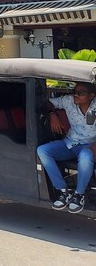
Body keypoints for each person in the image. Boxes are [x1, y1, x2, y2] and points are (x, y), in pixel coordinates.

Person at [37, 83, 96, 214]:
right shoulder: (69, 101)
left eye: (81, 93)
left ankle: (79, 195)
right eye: (75, 91)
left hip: (89, 145)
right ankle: (63, 191)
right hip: (70, 143)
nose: (76, 94)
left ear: (91, 96)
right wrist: (52, 115)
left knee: (86, 157)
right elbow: (47, 103)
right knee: (43, 150)